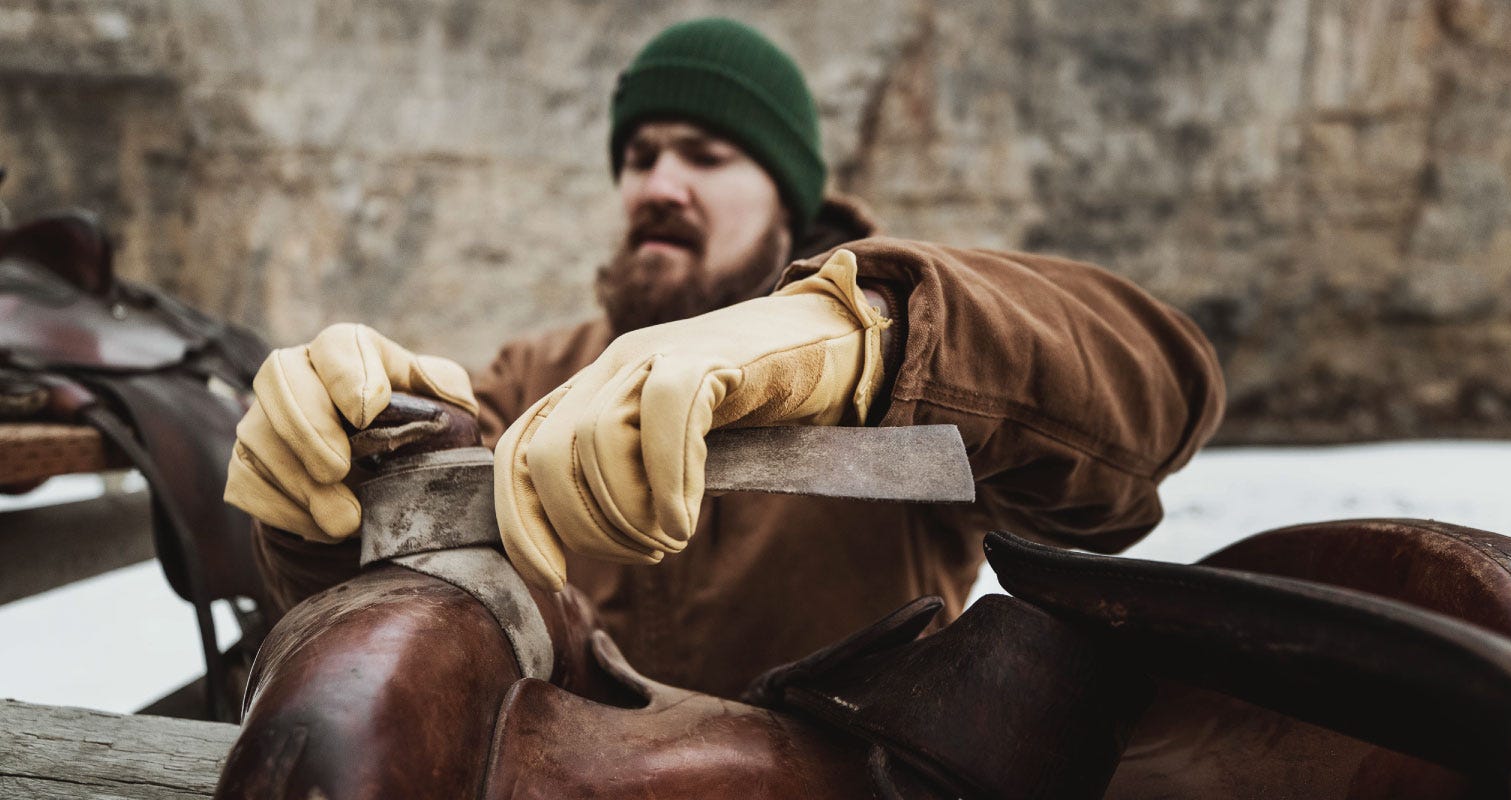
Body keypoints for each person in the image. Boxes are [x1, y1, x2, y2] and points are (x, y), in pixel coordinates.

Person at [225, 18, 1226, 699]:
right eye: (639, 154)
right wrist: (331, 467)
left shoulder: (903, 367)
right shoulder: (537, 373)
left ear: (786, 195)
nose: (658, 183)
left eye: (707, 155)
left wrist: (871, 335)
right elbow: (374, 597)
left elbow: (1153, 404)